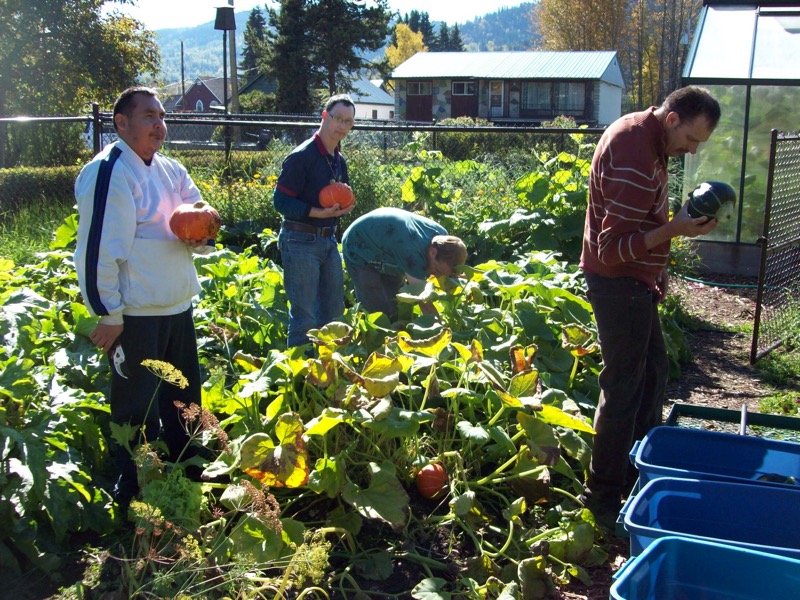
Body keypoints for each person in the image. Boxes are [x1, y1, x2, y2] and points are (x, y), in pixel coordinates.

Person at [579, 86, 721, 530]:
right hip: (617, 283)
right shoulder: (635, 149)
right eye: (693, 139)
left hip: (635, 281)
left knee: (654, 373)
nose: (693, 150)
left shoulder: (651, 139)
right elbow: (613, 248)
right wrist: (676, 229)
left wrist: (659, 262)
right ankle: (603, 497)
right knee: (624, 387)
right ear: (674, 118)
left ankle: (638, 473)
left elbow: (640, 222)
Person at [74, 86, 213, 509]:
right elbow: (98, 247)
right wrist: (109, 312)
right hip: (133, 314)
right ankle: (136, 491)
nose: (159, 124)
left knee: (184, 396)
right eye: (149, 116)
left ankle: (188, 474)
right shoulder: (110, 171)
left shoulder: (170, 169)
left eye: (162, 117)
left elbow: (198, 214)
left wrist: (204, 226)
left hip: (175, 305)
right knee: (137, 405)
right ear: (121, 123)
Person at [273, 94, 356, 350]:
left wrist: (343, 208)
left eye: (348, 122)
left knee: (333, 311)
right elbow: (280, 202)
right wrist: (317, 212)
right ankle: (299, 379)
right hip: (300, 240)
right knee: (305, 316)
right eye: (337, 118)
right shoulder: (302, 156)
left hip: (327, 241)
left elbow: (340, 196)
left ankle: (326, 372)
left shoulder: (338, 161)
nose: (341, 126)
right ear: (324, 116)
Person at [342, 207, 467, 318]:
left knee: (396, 304)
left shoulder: (442, 236)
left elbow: (449, 271)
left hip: (389, 242)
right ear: (433, 252)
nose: (438, 276)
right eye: (438, 271)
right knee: (377, 310)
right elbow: (423, 301)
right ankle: (378, 340)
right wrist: (443, 334)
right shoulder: (411, 252)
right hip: (358, 246)